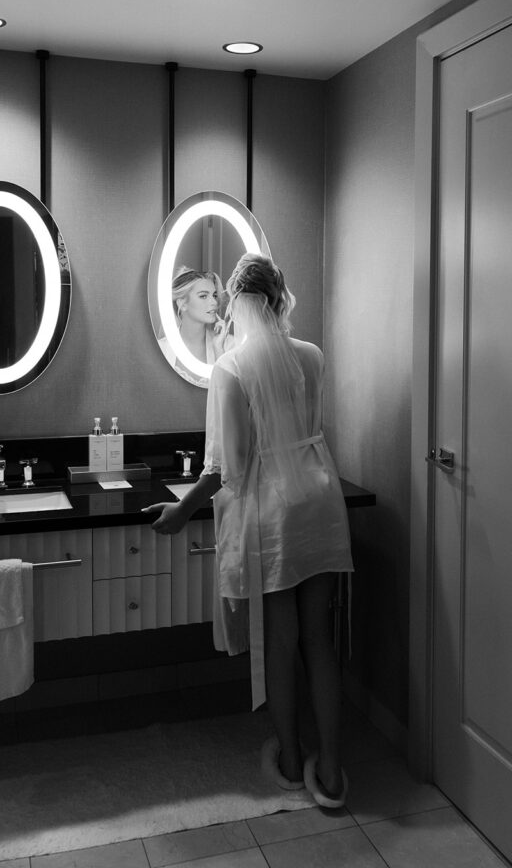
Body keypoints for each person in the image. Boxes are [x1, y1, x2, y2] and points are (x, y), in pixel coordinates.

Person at [144, 253, 354, 807]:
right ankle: (330, 771)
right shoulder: (311, 356)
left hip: (276, 513)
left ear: (238, 302)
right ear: (279, 297)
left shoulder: (231, 368)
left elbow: (225, 469)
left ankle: (289, 760)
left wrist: (180, 512)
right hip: (322, 501)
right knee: (320, 640)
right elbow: (306, 430)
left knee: (281, 645)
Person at [157, 267, 227, 385]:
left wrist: (219, 350)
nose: (214, 302)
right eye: (203, 296)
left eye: (214, 295)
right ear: (182, 303)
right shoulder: (161, 349)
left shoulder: (229, 346)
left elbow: (229, 395)